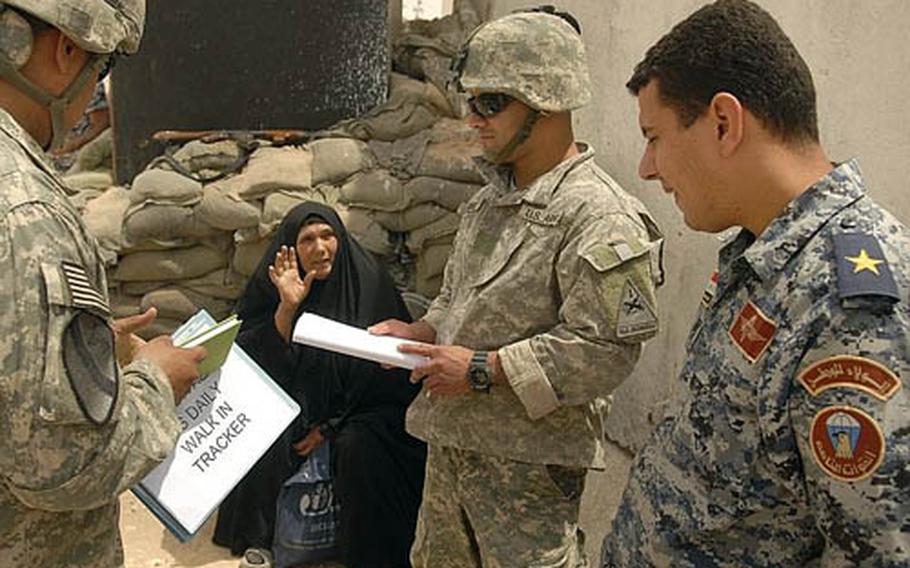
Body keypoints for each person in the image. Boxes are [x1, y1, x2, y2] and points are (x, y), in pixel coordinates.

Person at [600, 1, 910, 566]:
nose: (646, 167)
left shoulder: (851, 305)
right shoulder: (762, 255)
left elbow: (875, 550)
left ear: (724, 122)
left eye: (655, 137)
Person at [370, 7, 664, 568]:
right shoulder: (488, 202)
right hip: (453, 451)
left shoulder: (601, 218)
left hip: (526, 473)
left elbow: (606, 351)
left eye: (492, 103)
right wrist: (419, 331)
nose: (473, 118)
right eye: (471, 101)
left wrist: (482, 369)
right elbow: (456, 300)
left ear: (547, 102)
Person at [0, 1, 207, 566]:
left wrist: (76, 345)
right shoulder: (26, 212)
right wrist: (155, 381)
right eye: (103, 67)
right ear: (67, 51)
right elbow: (61, 467)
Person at [213, 202, 426, 568]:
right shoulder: (273, 287)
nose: (320, 248)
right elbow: (250, 367)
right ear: (291, 248)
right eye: (307, 239)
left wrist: (329, 427)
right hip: (295, 404)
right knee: (267, 434)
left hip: (361, 409)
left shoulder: (369, 281)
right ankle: (266, 539)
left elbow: (386, 377)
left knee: (362, 446)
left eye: (328, 235)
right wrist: (287, 308)